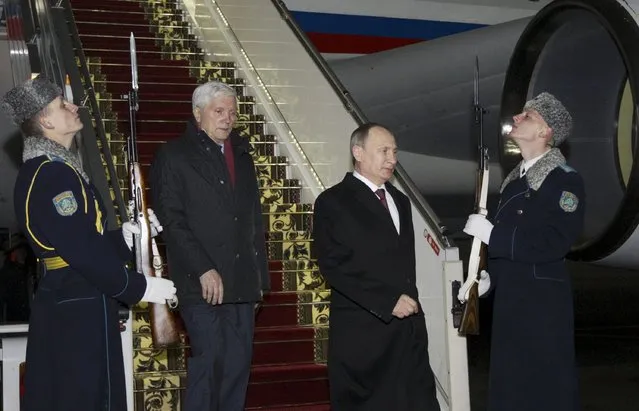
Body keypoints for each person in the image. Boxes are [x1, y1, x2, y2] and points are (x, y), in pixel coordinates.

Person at [2, 75, 177, 411]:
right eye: (61, 105)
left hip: (77, 297)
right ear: (46, 120)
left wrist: (126, 239)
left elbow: (80, 242)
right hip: (75, 306)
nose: (74, 106)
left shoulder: (58, 169)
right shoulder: (52, 174)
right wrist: (139, 287)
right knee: (82, 398)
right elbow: (81, 250)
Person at [150, 80, 269, 411]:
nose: (227, 119)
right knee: (209, 365)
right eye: (219, 111)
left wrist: (261, 277)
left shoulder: (242, 155)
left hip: (242, 282)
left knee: (236, 370)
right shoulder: (172, 156)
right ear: (197, 112)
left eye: (232, 112)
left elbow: (252, 221)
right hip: (199, 284)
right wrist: (203, 267)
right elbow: (171, 220)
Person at [463, 92, 584, 411]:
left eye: (527, 116)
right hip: (511, 306)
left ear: (546, 132)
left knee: (543, 393)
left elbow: (552, 242)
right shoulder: (514, 184)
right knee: (512, 392)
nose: (516, 117)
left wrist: (493, 234)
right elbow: (511, 252)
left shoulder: (564, 182)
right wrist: (487, 281)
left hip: (542, 308)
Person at [312, 123, 441, 411]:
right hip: (364, 338)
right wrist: (386, 302)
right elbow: (333, 266)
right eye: (383, 151)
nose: (392, 159)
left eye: (394, 151)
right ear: (358, 152)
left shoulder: (400, 201)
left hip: (408, 335)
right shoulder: (333, 202)